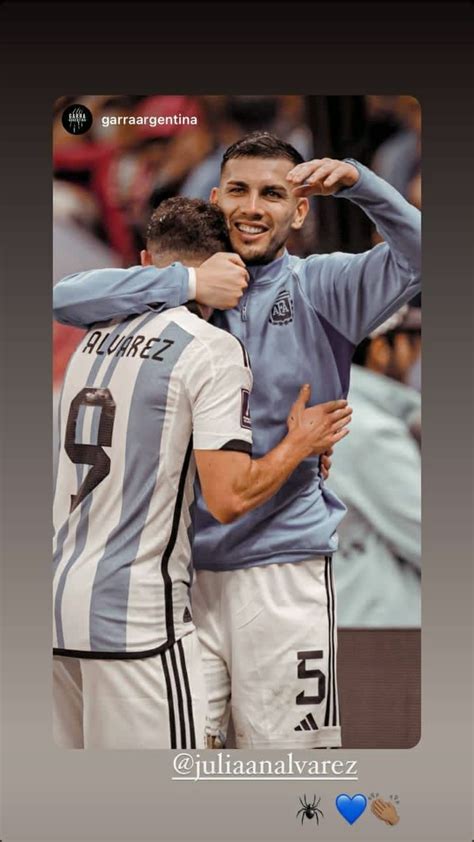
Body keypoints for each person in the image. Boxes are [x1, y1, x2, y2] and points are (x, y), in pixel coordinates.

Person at [54, 131, 421, 749]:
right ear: (216, 199)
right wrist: (186, 287)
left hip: (280, 571)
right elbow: (63, 298)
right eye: (240, 191)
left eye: (273, 194)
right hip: (177, 581)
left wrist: (363, 184)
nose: (253, 207)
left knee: (288, 771)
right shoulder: (177, 296)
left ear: (299, 210)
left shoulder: (319, 287)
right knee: (184, 766)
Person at [327, 306, 421, 627]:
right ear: (380, 351)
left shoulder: (336, 411)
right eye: (414, 343)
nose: (417, 360)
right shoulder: (370, 431)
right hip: (378, 632)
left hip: (347, 619)